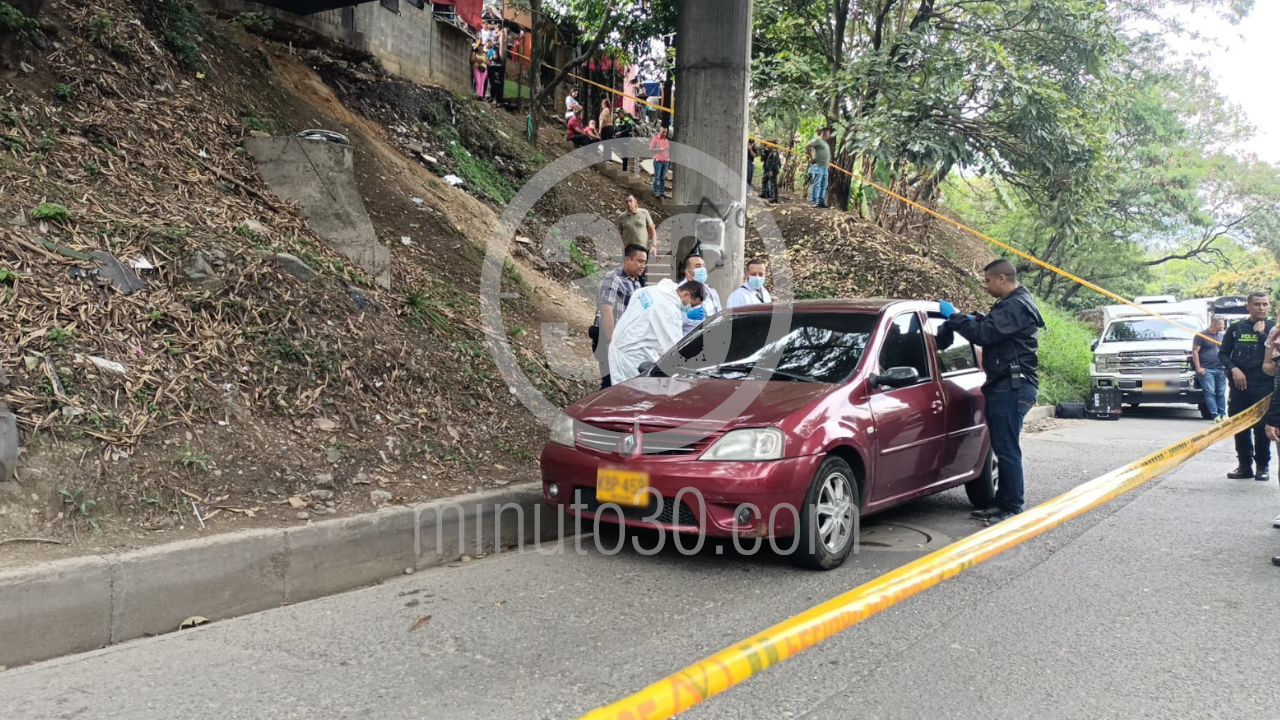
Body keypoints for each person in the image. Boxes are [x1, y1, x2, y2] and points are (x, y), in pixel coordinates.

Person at [936, 259, 1045, 525]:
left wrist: (954, 317)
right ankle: (1002, 501)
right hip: (1009, 384)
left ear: (1002, 279)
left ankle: (1011, 505)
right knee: (1003, 446)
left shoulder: (1015, 306)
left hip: (1012, 386)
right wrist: (975, 318)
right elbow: (993, 327)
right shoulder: (1015, 304)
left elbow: (985, 334)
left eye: (987, 281)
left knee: (1006, 448)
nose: (985, 286)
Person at [1220, 291, 1275, 481]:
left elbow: (1275, 353)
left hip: (1264, 385)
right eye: (1257, 304)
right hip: (1240, 386)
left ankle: (1263, 466)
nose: (1261, 308)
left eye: (1265, 304)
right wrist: (1233, 369)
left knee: (1262, 427)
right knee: (1239, 424)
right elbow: (1223, 354)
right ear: (1248, 307)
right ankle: (1244, 465)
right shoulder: (1235, 328)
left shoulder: (1274, 328)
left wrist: (1261, 333)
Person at [609, 280, 706, 384]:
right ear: (685, 294)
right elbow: (674, 349)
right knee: (633, 394)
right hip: (634, 356)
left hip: (619, 343)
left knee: (620, 392)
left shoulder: (652, 290)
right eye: (691, 305)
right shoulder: (669, 309)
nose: (690, 308)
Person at [592, 244, 648, 389]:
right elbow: (606, 311)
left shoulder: (636, 283)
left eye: (645, 262)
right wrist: (611, 341)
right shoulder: (613, 279)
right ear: (627, 260)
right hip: (608, 338)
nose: (643, 266)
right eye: (640, 261)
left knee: (622, 382)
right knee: (610, 382)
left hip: (625, 340)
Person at [617, 194, 657, 286]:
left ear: (636, 202)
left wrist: (654, 245)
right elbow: (619, 234)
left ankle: (641, 291)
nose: (629, 203)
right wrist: (623, 246)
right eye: (626, 202)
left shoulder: (644, 213)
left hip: (643, 249)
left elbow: (652, 230)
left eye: (631, 201)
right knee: (629, 273)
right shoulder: (622, 217)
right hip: (630, 250)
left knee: (641, 273)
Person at [1193, 316, 1228, 422]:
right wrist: (1198, 367)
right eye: (1222, 324)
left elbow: (1225, 352)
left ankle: (1223, 414)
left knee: (1221, 393)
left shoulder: (1222, 336)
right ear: (1216, 324)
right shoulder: (1201, 335)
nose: (1224, 326)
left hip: (1220, 368)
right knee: (1210, 393)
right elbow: (1195, 351)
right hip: (1207, 369)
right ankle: (1215, 415)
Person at [677, 254, 722, 334]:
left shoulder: (710, 290)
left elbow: (720, 313)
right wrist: (686, 316)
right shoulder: (679, 292)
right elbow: (670, 319)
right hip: (689, 339)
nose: (702, 269)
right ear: (688, 272)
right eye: (698, 266)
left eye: (703, 266)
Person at [805, 126, 833, 208]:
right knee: (816, 184)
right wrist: (812, 157)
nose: (829, 135)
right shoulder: (818, 140)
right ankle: (813, 201)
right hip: (818, 165)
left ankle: (820, 201)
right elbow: (807, 146)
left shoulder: (825, 142)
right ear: (824, 132)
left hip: (824, 166)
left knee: (824, 184)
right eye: (828, 133)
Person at [650, 127, 670, 199]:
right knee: (657, 176)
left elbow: (667, 150)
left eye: (665, 132)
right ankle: (655, 191)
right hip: (658, 160)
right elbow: (651, 149)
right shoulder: (655, 139)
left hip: (665, 161)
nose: (664, 133)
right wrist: (659, 150)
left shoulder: (666, 140)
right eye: (663, 132)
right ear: (659, 131)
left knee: (663, 177)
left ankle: (662, 192)